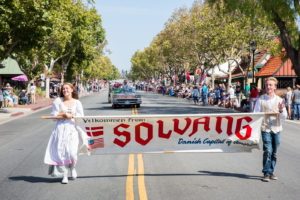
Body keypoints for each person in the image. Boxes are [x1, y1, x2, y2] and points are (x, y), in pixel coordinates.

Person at [44, 83, 85, 184]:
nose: (65, 90)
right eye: (63, 89)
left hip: (73, 129)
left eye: (67, 88)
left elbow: (81, 117)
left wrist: (73, 115)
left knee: (72, 153)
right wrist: (63, 114)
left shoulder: (77, 103)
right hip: (61, 129)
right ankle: (65, 175)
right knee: (63, 153)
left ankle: (73, 168)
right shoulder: (58, 101)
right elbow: (54, 115)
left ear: (72, 90)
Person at [253, 77, 287, 182]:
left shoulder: (280, 100)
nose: (268, 87)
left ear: (275, 87)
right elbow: (255, 114)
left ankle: (271, 171)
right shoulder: (260, 99)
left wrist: (281, 110)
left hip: (276, 128)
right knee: (268, 150)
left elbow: (284, 117)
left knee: (274, 152)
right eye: (267, 85)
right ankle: (266, 172)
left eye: (271, 85)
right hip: (265, 128)